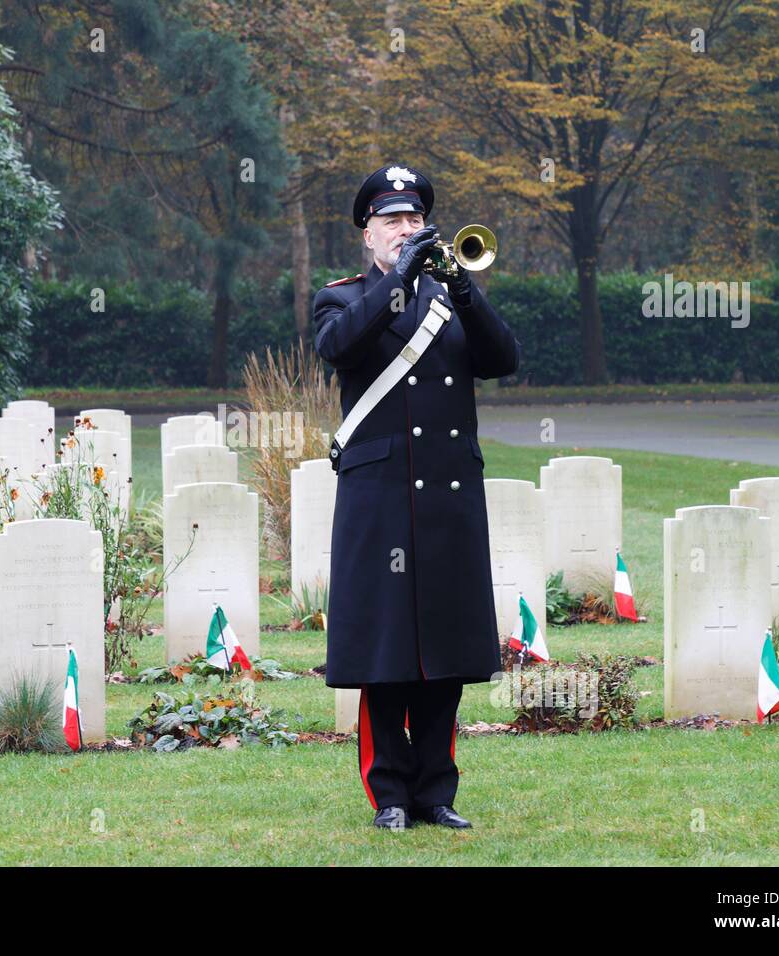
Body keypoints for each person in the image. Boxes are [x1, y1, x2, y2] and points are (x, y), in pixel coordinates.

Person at [312, 163, 521, 830]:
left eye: (413, 219)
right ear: (366, 234)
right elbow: (340, 349)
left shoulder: (448, 297)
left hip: (448, 497)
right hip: (379, 499)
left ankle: (437, 792)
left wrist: (459, 286)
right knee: (386, 653)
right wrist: (399, 278)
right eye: (391, 221)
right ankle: (392, 794)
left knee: (447, 652)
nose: (406, 229)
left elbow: (502, 358)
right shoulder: (341, 298)